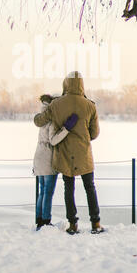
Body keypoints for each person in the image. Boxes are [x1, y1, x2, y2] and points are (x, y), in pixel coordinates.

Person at [34, 72, 104, 235]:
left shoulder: (56, 104)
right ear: (81, 85)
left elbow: (39, 121)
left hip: (64, 154)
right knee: (90, 187)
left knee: (69, 188)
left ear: (65, 84)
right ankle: (95, 222)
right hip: (84, 153)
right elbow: (94, 133)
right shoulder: (90, 105)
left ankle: (73, 224)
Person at [33, 94, 78, 230]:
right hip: (48, 157)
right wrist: (66, 129)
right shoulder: (51, 119)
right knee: (48, 191)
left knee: (42, 190)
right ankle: (46, 220)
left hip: (38, 155)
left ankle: (39, 219)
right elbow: (53, 140)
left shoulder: (41, 117)